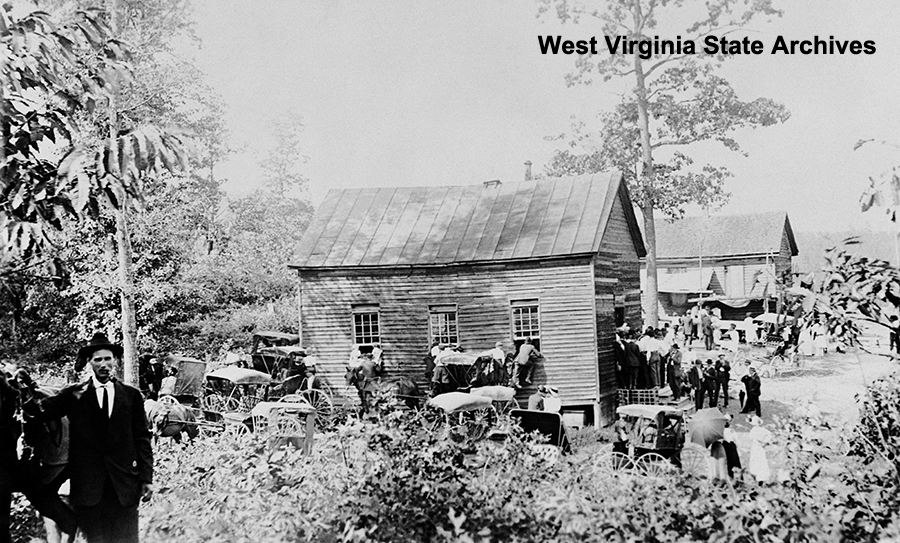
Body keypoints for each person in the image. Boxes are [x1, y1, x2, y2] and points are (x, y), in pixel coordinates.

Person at [20, 333, 153, 543]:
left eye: (107, 358)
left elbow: (142, 438)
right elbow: (41, 413)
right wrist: (24, 393)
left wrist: (146, 478)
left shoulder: (131, 395)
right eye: (97, 359)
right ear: (89, 363)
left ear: (115, 361)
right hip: (89, 490)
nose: (103, 364)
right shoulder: (74, 395)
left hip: (124, 486)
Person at [747, 416, 772, 482]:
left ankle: (756, 474)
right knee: (761, 459)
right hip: (760, 446)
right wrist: (764, 441)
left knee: (755, 459)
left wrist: (762, 441)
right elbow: (769, 434)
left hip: (755, 446)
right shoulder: (762, 429)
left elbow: (750, 437)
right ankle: (761, 475)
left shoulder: (753, 430)